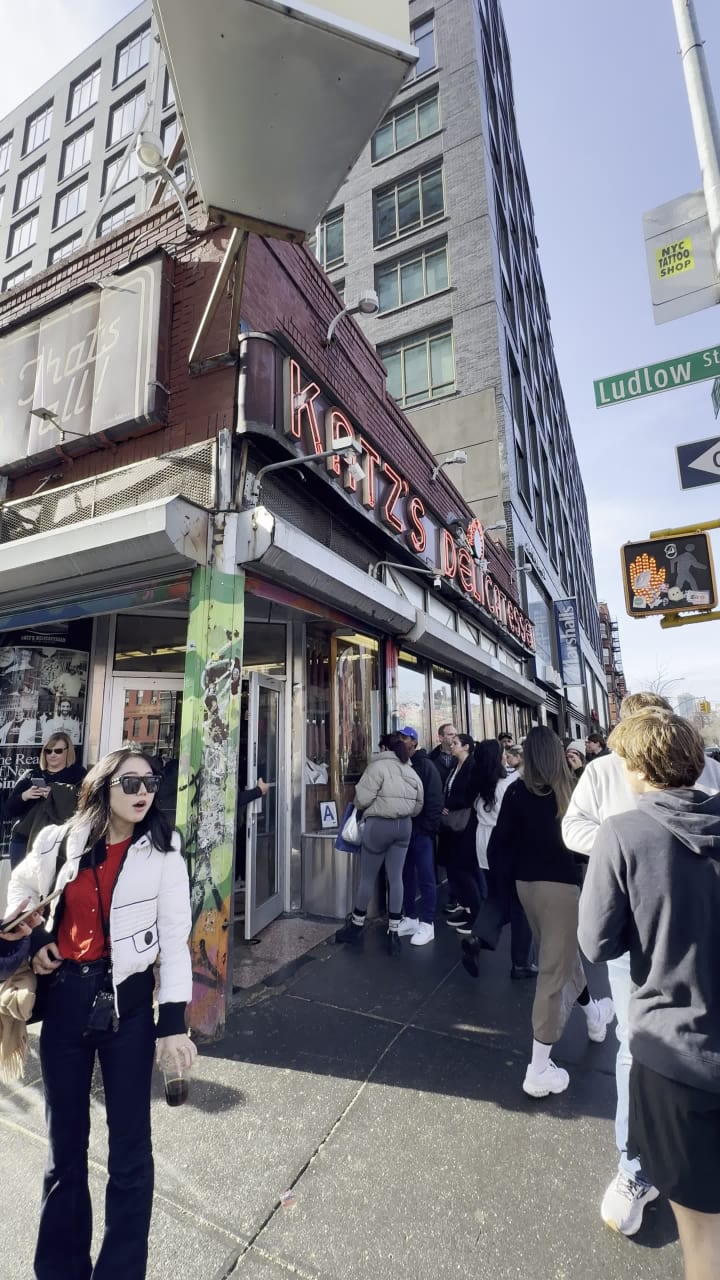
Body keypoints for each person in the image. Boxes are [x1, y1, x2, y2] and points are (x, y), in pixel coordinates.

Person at [6, 747, 195, 1280]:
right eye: (130, 782)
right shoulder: (59, 839)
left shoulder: (163, 849)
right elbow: (20, 888)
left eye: (150, 783)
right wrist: (37, 938)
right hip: (66, 1000)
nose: (142, 793)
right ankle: (61, 1270)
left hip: (128, 1007)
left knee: (130, 1154)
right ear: (103, 786)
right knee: (64, 1149)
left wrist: (173, 1022)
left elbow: (177, 940)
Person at [562, 690, 720, 1236]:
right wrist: (617, 861)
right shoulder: (607, 785)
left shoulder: (663, 786)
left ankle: (645, 1168)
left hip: (662, 955)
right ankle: (636, 1168)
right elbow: (575, 826)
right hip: (646, 939)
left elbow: (593, 940)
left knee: (646, 1052)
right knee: (635, 1050)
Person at [488, 726, 614, 1098]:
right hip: (562, 887)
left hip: (526, 887)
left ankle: (594, 1015)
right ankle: (538, 1067)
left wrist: (503, 884)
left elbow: (499, 844)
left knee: (561, 957)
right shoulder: (569, 791)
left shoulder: (514, 790)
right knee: (554, 970)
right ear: (557, 753)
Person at [335, 733, 423, 954]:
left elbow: (362, 799)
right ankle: (394, 933)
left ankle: (356, 927)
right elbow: (418, 805)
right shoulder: (410, 770)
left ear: (384, 748)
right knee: (396, 878)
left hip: (379, 826)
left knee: (367, 878)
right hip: (404, 827)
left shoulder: (377, 768)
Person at [461, 738, 535, 980]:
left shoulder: (479, 782)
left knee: (495, 897)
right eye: (503, 753)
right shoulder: (508, 783)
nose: (506, 756)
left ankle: (478, 938)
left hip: (483, 844)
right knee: (520, 904)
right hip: (504, 843)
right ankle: (521, 962)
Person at [4, 732, 86, 869]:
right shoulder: (32, 775)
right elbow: (8, 810)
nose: (52, 754)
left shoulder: (78, 775)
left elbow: (85, 804)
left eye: (58, 751)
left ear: (68, 751)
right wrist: (25, 795)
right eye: (48, 751)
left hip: (58, 841)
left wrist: (57, 794)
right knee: (22, 887)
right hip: (23, 838)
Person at [396, 727, 443, 946]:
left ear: (414, 742)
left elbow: (434, 800)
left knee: (426, 878)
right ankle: (411, 917)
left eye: (404, 738)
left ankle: (428, 923)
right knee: (406, 875)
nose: (401, 742)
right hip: (405, 831)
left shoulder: (426, 766)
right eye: (399, 738)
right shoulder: (402, 765)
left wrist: (427, 829)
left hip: (421, 832)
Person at [440, 734, 484, 937]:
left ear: (466, 747)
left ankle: (476, 914)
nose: (451, 745)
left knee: (464, 870)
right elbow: (448, 790)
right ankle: (467, 909)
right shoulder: (453, 767)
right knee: (454, 869)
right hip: (452, 825)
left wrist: (449, 805)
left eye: (456, 743)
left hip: (466, 825)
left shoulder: (472, 766)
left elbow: (468, 794)